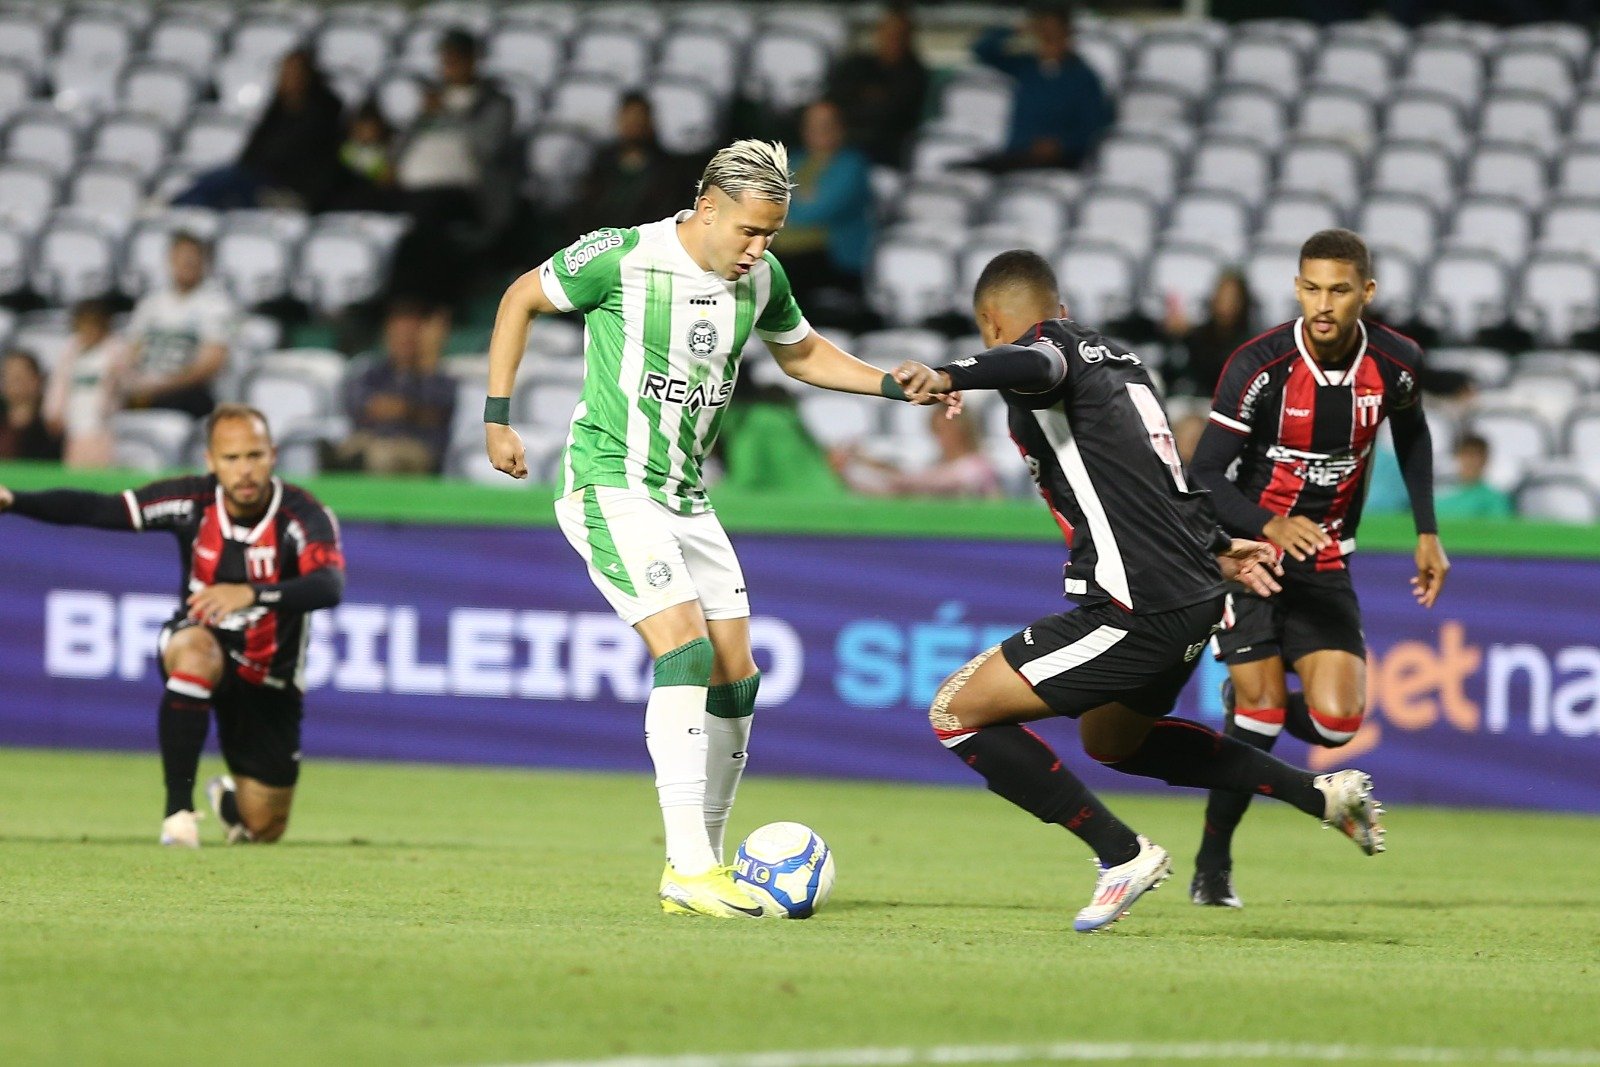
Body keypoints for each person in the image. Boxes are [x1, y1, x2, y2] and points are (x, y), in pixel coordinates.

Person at [482, 139, 955, 919]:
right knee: (686, 648)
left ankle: (702, 858)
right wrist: (497, 418)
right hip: (610, 480)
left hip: (687, 494)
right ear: (707, 208)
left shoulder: (762, 277)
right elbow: (518, 299)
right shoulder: (623, 256)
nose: (760, 248)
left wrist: (889, 386)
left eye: (771, 233)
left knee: (737, 675)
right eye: (750, 231)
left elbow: (802, 354)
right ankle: (690, 868)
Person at [891, 250, 1387, 933]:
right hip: (1193, 594)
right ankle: (1321, 794)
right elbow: (1166, 478)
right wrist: (1218, 547)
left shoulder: (1047, 353)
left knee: (956, 711)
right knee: (1115, 741)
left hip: (1134, 606)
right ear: (1061, 307)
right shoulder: (1121, 362)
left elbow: (1034, 362)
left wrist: (952, 373)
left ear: (992, 323)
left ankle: (1121, 854)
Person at [1187, 229, 1446, 909]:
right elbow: (1203, 472)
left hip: (1327, 558)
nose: (1323, 304)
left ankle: (1245, 707)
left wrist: (1427, 530)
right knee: (1264, 713)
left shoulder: (1396, 363)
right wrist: (1266, 524)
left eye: (1338, 290)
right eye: (1311, 288)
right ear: (1297, 288)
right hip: (1254, 559)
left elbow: (1412, 433)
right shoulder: (1259, 366)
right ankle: (1213, 864)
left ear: (1367, 292)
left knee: (1337, 724)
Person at [0, 405, 345, 847]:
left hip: (270, 676)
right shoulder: (190, 500)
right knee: (195, 652)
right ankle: (178, 814)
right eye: (232, 458)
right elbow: (99, 508)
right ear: (211, 461)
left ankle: (228, 800)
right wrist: (16, 500)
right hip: (204, 641)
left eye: (255, 456)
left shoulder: (303, 515)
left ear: (273, 455)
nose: (244, 470)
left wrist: (252, 593)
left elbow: (329, 585)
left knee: (263, 827)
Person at [174, 48, 346, 213]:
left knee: (223, 183)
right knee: (215, 184)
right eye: (284, 72)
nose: (288, 78)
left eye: (294, 72)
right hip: (259, 179)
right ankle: (179, 211)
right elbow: (255, 148)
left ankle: (178, 209)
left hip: (292, 188)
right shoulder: (278, 110)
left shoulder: (323, 115)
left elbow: (296, 158)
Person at [972, 2, 1114, 171]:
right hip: (1016, 154)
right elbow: (982, 50)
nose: (1048, 40)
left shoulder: (1084, 77)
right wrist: (1016, 29)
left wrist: (1061, 145)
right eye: (1043, 34)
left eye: (1054, 34)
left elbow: (1095, 127)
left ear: (1067, 34)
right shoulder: (1027, 66)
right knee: (965, 172)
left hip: (1058, 161)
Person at [331, 299, 457, 475]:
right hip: (370, 439)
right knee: (339, 450)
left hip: (418, 447)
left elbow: (434, 413)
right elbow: (358, 404)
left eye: (410, 335)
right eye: (398, 334)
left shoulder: (439, 378)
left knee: (382, 456)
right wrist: (408, 410)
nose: (403, 341)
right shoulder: (372, 372)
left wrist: (428, 364)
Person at [123, 231, 238, 418]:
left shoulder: (217, 305)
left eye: (192, 258)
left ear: (204, 262)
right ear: (170, 260)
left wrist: (163, 385)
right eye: (181, 257)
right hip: (147, 386)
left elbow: (211, 363)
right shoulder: (150, 303)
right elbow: (131, 351)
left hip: (189, 390)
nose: (186, 263)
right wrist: (133, 382)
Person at [778, 100, 874, 311]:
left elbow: (817, 211)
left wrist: (787, 206)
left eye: (826, 124)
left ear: (841, 127)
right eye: (811, 124)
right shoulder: (793, 161)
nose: (819, 130)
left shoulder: (852, 165)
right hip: (786, 250)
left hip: (832, 258)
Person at [573, 93, 699, 238]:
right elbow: (587, 209)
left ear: (649, 121)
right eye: (628, 118)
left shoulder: (670, 170)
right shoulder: (602, 164)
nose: (633, 124)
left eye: (639, 118)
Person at [824, 3, 929, 168]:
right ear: (879, 32)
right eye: (887, 32)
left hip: (884, 152)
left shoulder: (915, 75)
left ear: (909, 37)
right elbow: (836, 99)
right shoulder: (857, 65)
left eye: (899, 35)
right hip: (842, 140)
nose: (892, 40)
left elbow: (891, 115)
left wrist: (862, 103)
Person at [833, 406, 1001, 498]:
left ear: (963, 430)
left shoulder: (977, 466)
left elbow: (912, 483)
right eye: (937, 429)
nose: (940, 437)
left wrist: (866, 463)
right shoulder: (937, 464)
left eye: (946, 429)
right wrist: (848, 473)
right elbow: (902, 490)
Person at [44, 300, 129, 468]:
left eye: (93, 325)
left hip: (103, 424)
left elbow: (127, 383)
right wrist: (53, 411)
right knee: (74, 467)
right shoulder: (70, 351)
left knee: (100, 467)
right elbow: (59, 384)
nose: (88, 331)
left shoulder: (115, 351)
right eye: (83, 326)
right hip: (75, 423)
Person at [1164, 270, 1256, 399]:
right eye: (1222, 297)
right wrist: (1178, 336)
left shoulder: (1252, 343)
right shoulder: (1198, 336)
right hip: (1194, 400)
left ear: (1243, 302)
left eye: (1232, 298)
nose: (1225, 304)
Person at [0, 348, 62, 460]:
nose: (12, 383)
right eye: (7, 376)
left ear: (37, 380)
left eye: (19, 377)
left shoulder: (51, 431)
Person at [1437, 433, 1513, 519]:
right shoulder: (1440, 495)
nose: (1472, 461)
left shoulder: (1495, 499)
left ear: (1486, 459)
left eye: (1477, 456)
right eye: (1467, 455)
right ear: (1457, 456)